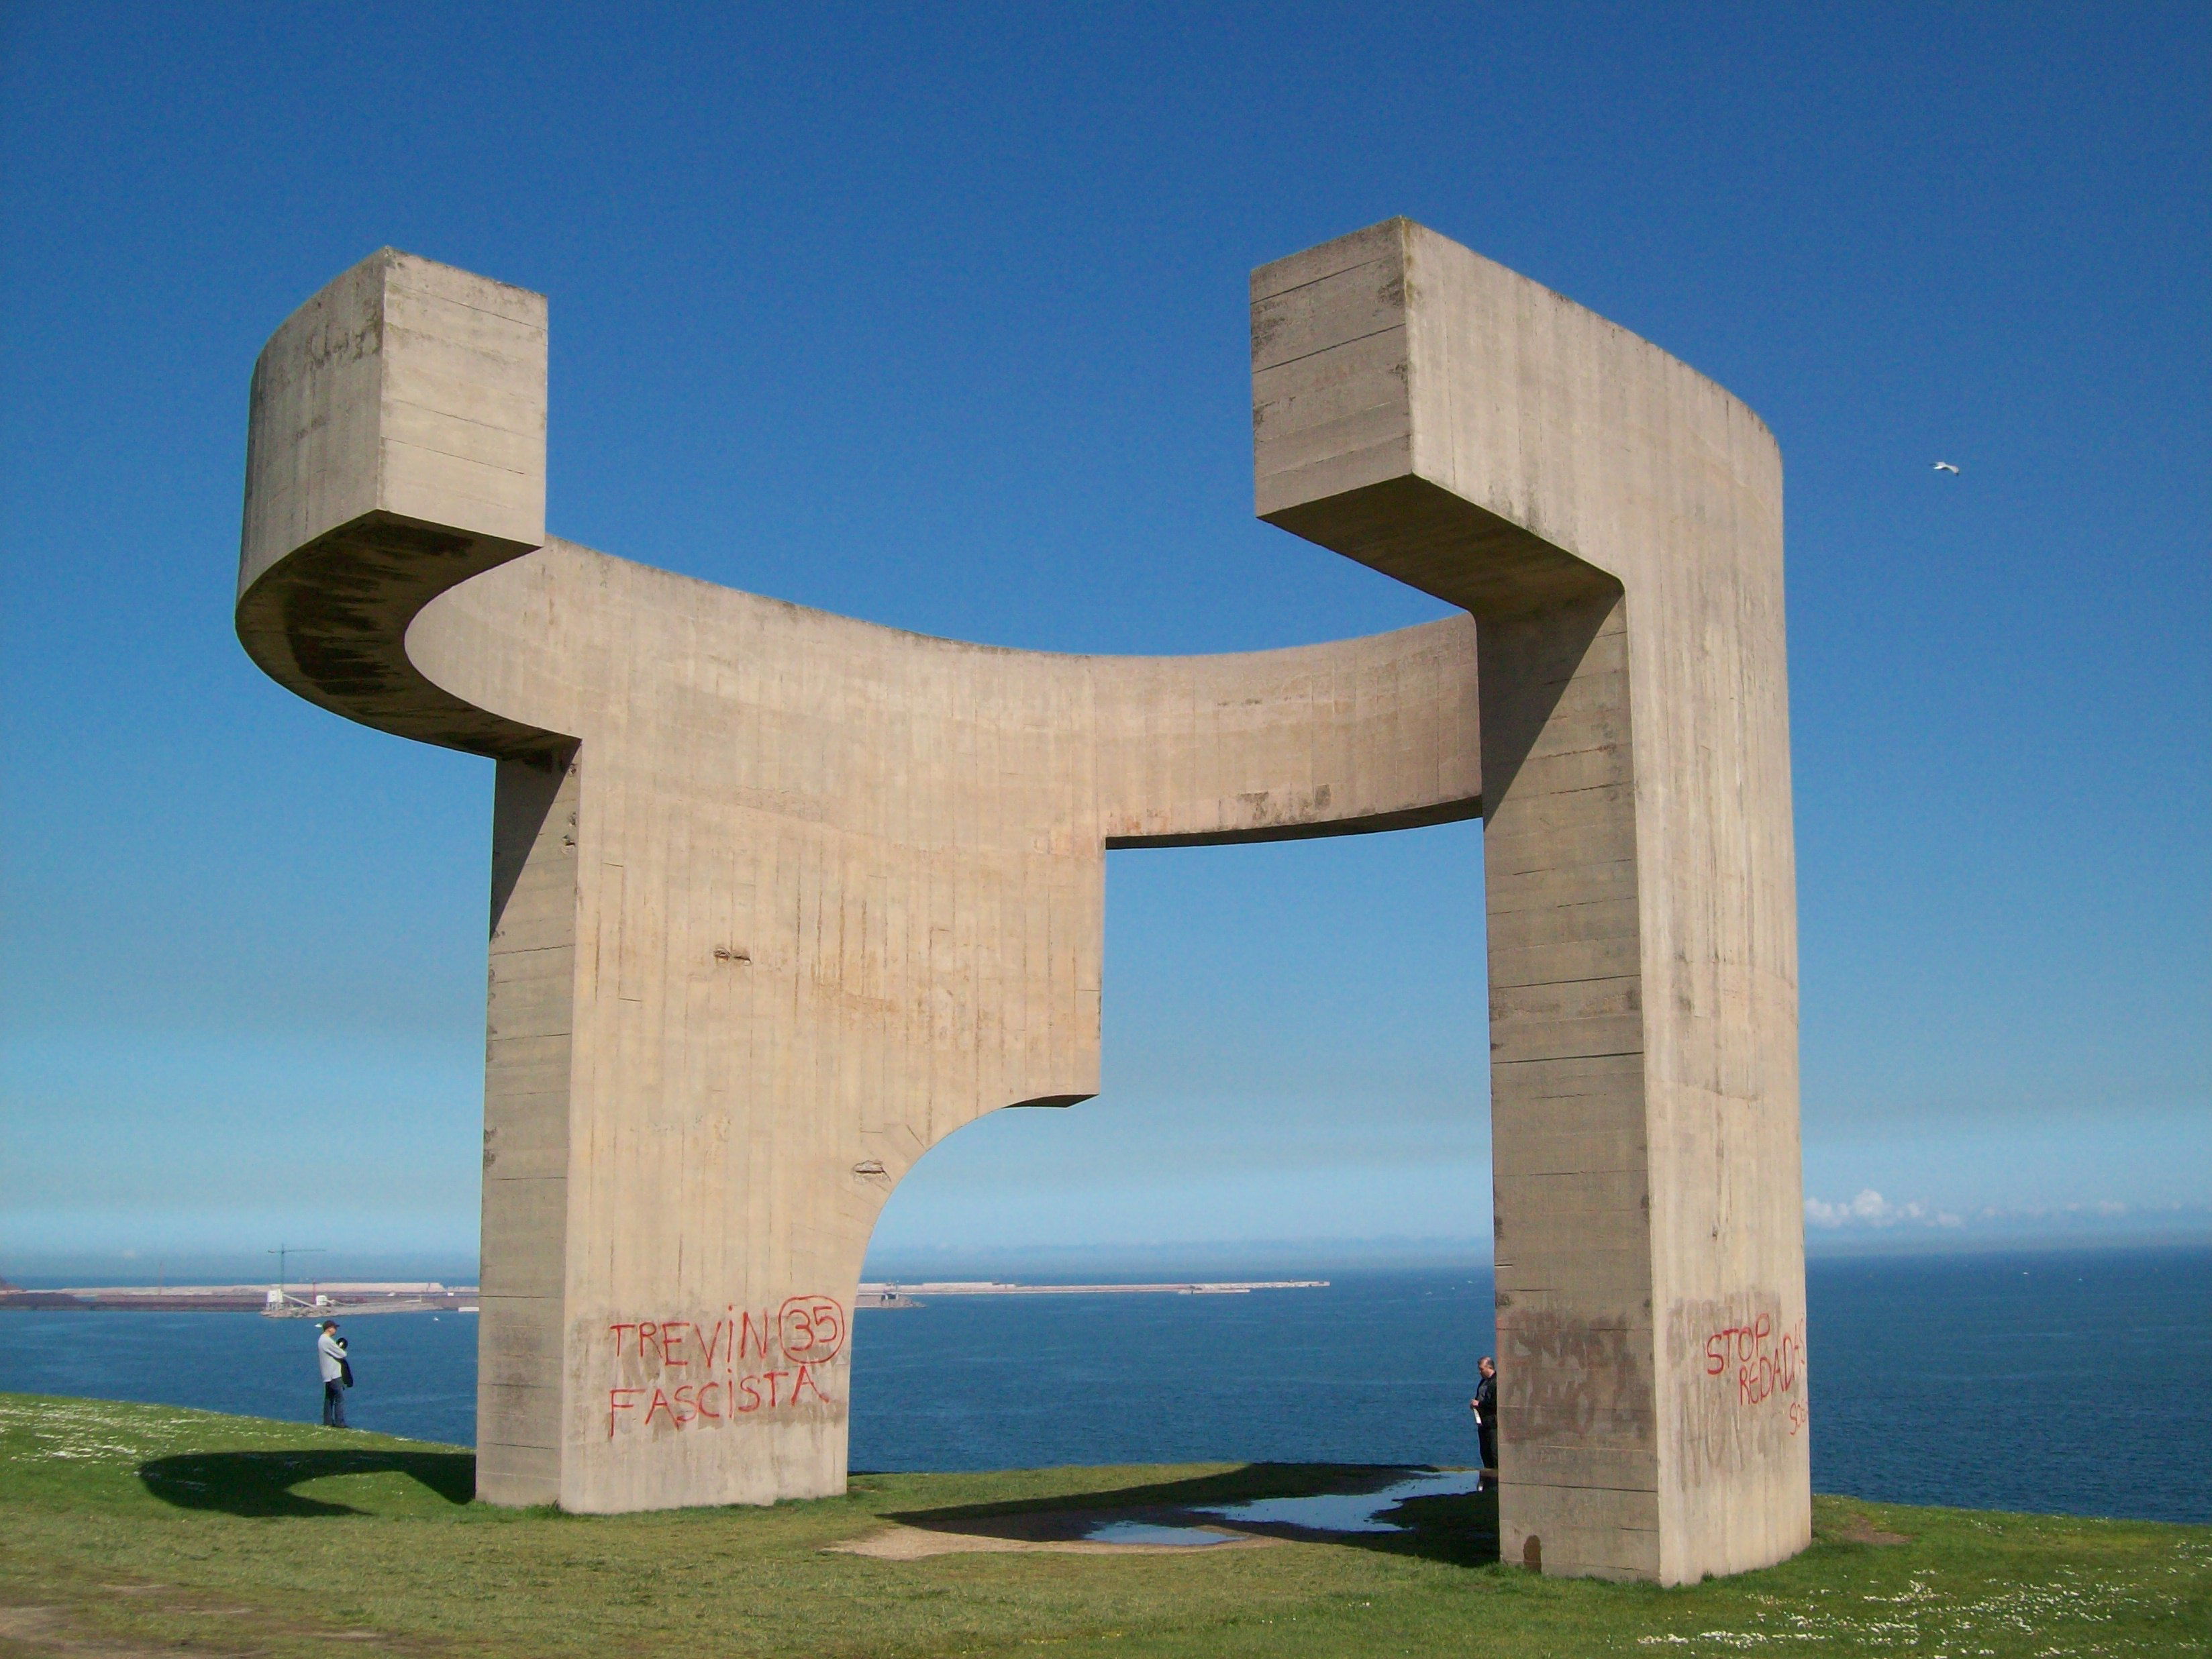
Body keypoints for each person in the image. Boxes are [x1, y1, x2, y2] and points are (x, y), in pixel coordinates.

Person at [317, 1320, 350, 1427]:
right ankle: (340, 1423)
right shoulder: (327, 1341)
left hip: (327, 1374)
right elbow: (342, 1354)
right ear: (330, 1328)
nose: (336, 1330)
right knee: (339, 1399)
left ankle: (327, 1422)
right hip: (334, 1374)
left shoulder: (321, 1340)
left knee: (329, 1399)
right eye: (335, 1328)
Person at [1470, 1355, 1498, 1477]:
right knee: (1484, 1452)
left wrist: (1480, 1404)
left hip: (1493, 1422)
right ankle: (1488, 1476)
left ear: (1489, 1367)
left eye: (1482, 1369)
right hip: (1482, 1422)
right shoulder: (1483, 1382)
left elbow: (1496, 1403)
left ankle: (1496, 1477)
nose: (1480, 1372)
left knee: (1493, 1452)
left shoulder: (1496, 1382)